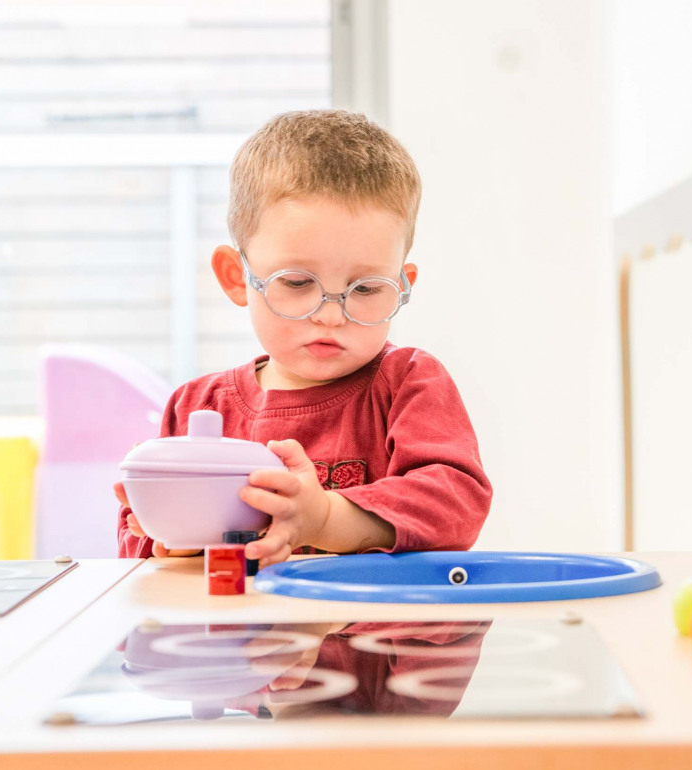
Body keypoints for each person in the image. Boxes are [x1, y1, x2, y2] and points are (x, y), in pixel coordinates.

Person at [116, 109, 491, 568]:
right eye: (297, 283)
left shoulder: (408, 384)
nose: (331, 316)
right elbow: (139, 564)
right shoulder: (196, 408)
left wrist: (326, 519)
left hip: (371, 635)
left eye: (368, 289)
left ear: (403, 284)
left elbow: (457, 502)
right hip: (241, 636)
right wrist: (172, 532)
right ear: (237, 278)